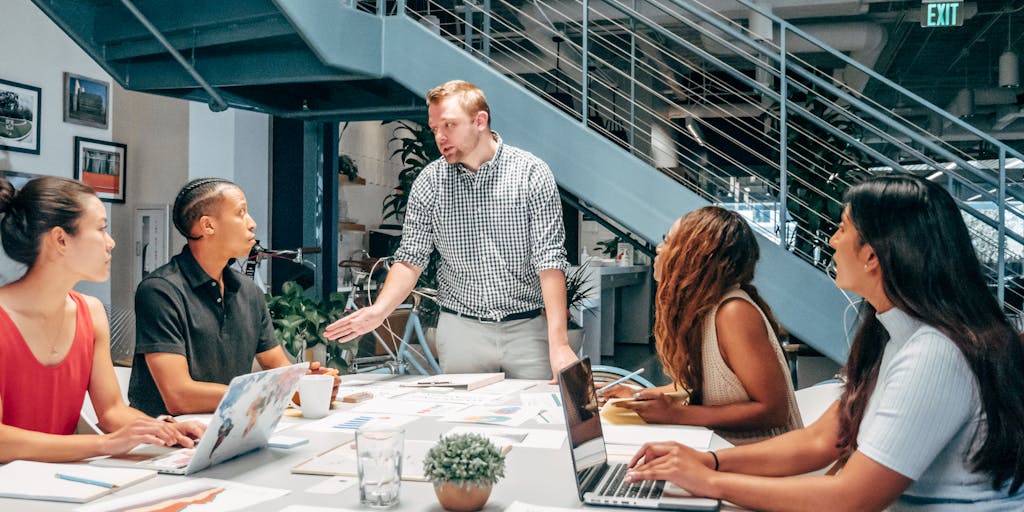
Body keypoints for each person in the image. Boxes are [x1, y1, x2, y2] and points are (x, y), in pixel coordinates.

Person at [625, 176, 1024, 510]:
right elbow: (821, 439)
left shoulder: (934, 352)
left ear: (872, 255)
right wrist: (708, 462)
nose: (831, 241)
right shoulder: (897, 339)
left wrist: (708, 481)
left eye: (843, 228)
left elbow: (852, 497)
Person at [323, 80, 576, 381]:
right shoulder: (430, 182)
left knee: (536, 419)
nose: (440, 137)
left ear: (479, 121)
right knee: (462, 425)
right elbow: (410, 260)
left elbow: (549, 262)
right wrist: (379, 311)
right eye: (434, 128)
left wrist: (559, 344)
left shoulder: (531, 173)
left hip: (526, 329)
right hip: (461, 332)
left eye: (449, 125)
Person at [0, 176, 204, 463]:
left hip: (60, 485)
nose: (111, 242)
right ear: (60, 239)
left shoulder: (91, 312)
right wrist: (104, 444)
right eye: (101, 228)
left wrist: (164, 430)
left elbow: (111, 412)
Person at [128, 178, 338, 417]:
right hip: (164, 440)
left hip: (229, 426)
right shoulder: (160, 291)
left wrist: (307, 384)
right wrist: (265, 391)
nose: (252, 224)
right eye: (241, 213)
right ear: (207, 226)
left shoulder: (248, 291)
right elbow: (179, 396)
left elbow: (276, 364)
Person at [603, 206, 802, 445]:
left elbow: (773, 411)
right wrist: (635, 396)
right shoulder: (705, 310)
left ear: (695, 255)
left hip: (765, 465)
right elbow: (697, 387)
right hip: (725, 452)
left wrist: (676, 414)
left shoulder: (734, 313)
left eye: (669, 240)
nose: (659, 248)